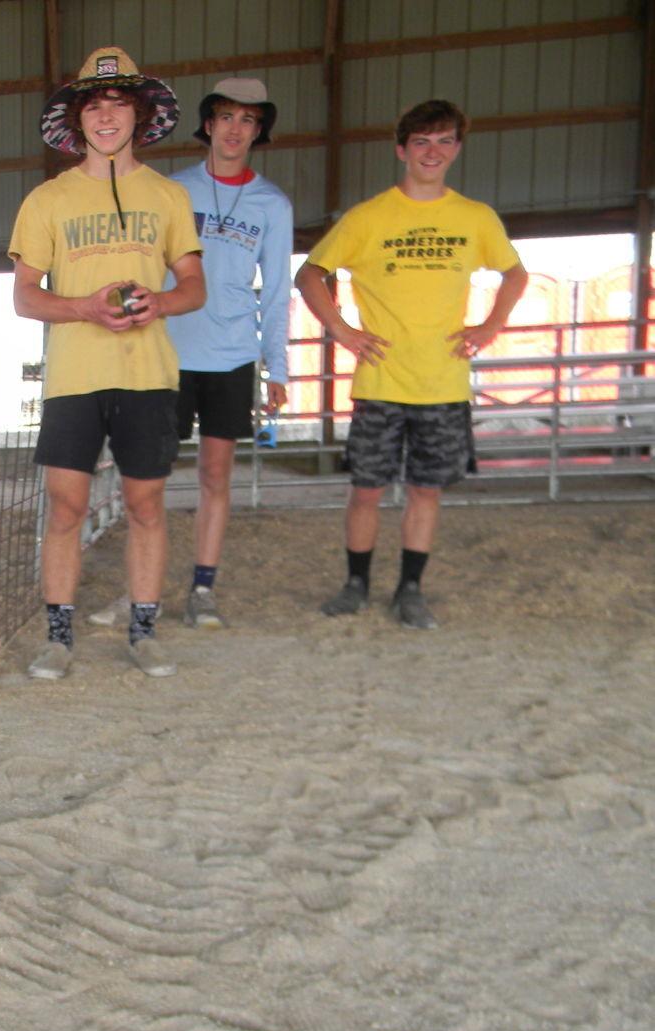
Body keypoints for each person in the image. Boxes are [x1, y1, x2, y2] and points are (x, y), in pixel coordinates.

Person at [9, 46, 205, 679]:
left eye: (119, 104)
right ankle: (58, 636)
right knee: (64, 507)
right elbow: (24, 296)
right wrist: (86, 308)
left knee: (147, 505)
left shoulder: (168, 196)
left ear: (140, 115)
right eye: (95, 105)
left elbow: (194, 287)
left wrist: (160, 303)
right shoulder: (47, 200)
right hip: (75, 377)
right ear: (78, 120)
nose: (106, 117)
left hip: (148, 374)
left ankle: (142, 630)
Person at [296, 99, 527, 628]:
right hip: (381, 379)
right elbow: (311, 274)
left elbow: (515, 275)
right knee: (367, 489)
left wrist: (491, 326)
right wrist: (342, 330)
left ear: (457, 150)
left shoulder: (475, 218)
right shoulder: (369, 216)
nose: (432, 151)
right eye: (421, 141)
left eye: (444, 141)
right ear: (401, 150)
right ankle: (356, 583)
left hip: (443, 381)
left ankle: (410, 588)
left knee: (426, 489)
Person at [163, 77, 293, 628]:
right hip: (167, 353)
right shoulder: (171, 191)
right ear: (208, 125)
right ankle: (140, 587)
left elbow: (280, 288)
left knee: (217, 476)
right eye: (227, 117)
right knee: (147, 475)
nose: (236, 129)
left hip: (233, 357)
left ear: (257, 130)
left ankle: (202, 586)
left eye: (249, 120)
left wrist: (277, 367)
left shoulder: (272, 204)